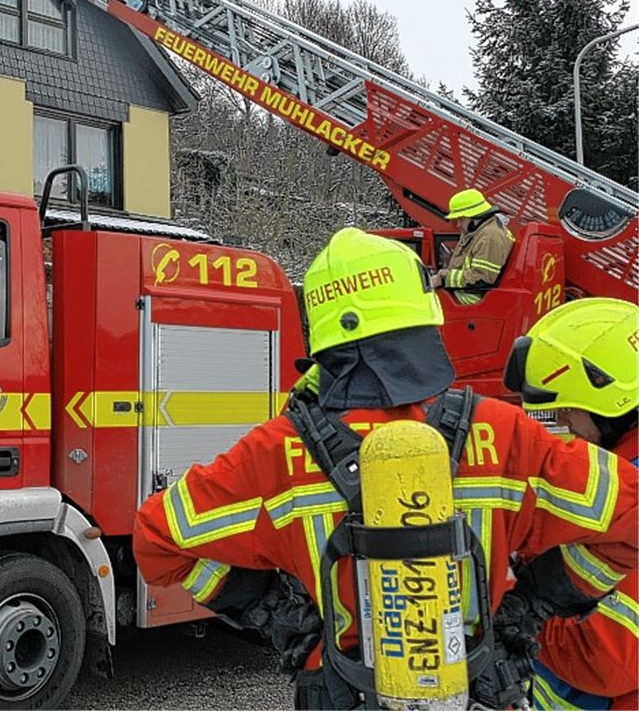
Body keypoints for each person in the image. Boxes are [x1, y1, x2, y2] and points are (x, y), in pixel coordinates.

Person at [133, 227, 637, 709]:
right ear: (422, 316)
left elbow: (156, 539)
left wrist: (279, 616)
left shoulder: (276, 453)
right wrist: (528, 607)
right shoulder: (506, 436)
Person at [505, 297, 639, 710]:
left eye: (565, 413)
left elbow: (604, 659)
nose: (559, 427)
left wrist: (510, 610)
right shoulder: (615, 470)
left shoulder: (626, 499)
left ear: (612, 406)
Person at [430, 187, 515, 304]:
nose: (458, 225)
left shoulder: (489, 236)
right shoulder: (478, 231)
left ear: (475, 217)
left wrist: (443, 279)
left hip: (469, 300)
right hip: (462, 292)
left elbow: (481, 278)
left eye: (461, 219)